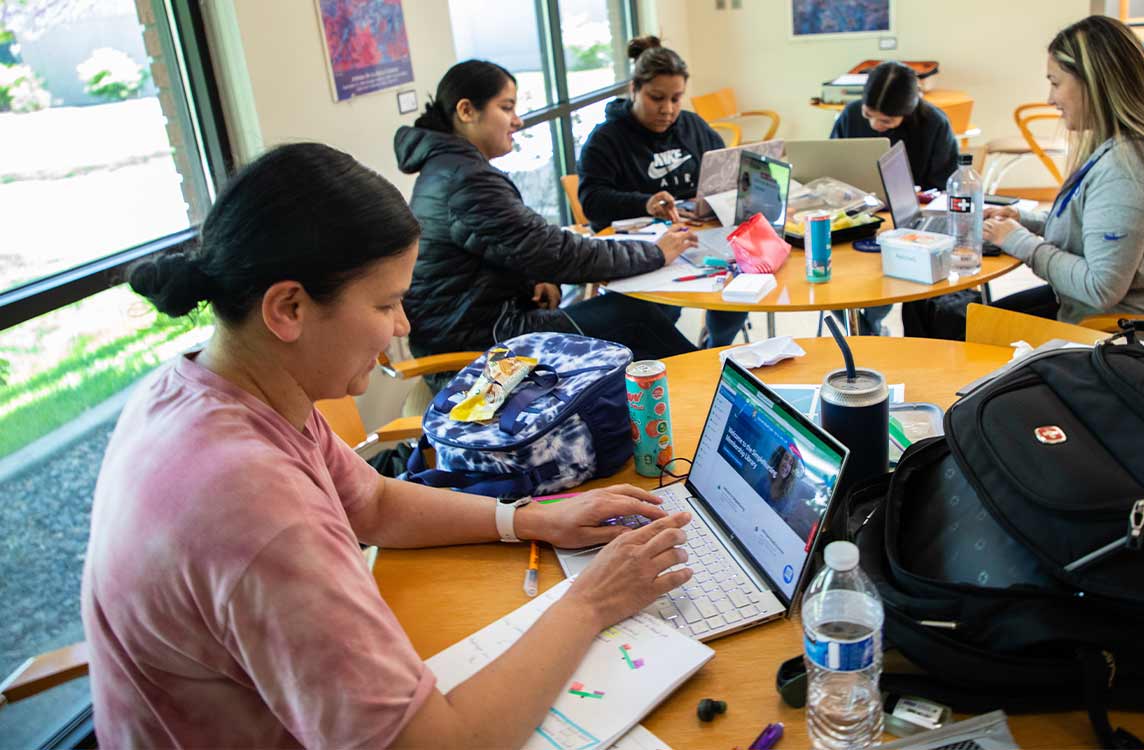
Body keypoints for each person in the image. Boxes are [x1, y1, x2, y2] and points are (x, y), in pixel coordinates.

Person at [82, 142, 695, 748]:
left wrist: (533, 519)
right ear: (288, 308)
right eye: (387, 303)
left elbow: (371, 502)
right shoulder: (253, 508)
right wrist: (591, 602)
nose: (403, 326)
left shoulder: (218, 385)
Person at [396, 59, 699, 361]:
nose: (517, 121)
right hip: (479, 350)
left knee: (633, 320)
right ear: (466, 111)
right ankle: (715, 388)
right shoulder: (465, 179)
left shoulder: (448, 169)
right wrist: (655, 252)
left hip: (474, 328)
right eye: (506, 108)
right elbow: (557, 253)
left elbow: (510, 246)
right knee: (635, 316)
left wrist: (532, 280)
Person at [982, 15, 1144, 328]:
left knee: (963, 335)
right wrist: (1027, 222)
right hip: (1132, 312)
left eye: (1055, 83)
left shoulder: (1130, 166)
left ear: (1094, 84)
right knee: (969, 321)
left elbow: (1100, 287)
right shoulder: (1136, 144)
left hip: (1126, 334)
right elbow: (1100, 227)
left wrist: (1020, 242)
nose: (1050, 99)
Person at [577, 36, 749, 348]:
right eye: (657, 98)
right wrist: (645, 203)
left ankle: (716, 347)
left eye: (676, 98)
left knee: (744, 280)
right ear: (634, 89)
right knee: (657, 313)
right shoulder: (606, 139)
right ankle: (682, 363)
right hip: (645, 249)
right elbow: (592, 202)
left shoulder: (693, 126)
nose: (667, 110)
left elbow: (724, 172)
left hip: (699, 235)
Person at [830, 60, 960, 335]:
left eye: (886, 121)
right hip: (854, 220)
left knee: (888, 277)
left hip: (909, 227)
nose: (875, 125)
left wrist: (917, 195)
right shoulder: (850, 115)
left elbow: (945, 186)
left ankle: (869, 330)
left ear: (908, 111)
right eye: (869, 115)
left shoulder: (935, 124)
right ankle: (869, 333)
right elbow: (831, 168)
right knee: (826, 280)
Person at [764, 444, 823, 542]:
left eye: (791, 463)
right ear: (779, 460)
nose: (787, 464)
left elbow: (813, 493)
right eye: (785, 459)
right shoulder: (764, 482)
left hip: (780, 534)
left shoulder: (796, 485)